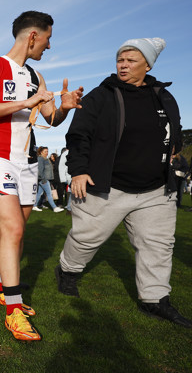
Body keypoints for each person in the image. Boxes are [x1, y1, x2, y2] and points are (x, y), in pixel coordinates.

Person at [56, 37, 191, 328]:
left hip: (156, 189)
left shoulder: (163, 96)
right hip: (109, 186)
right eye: (121, 59)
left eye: (131, 60)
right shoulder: (101, 95)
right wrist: (78, 171)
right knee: (86, 238)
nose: (123, 64)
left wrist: (173, 150)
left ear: (147, 64)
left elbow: (175, 131)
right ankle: (67, 270)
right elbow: (78, 135)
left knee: (157, 245)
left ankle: (154, 299)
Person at [0, 11, 82, 341]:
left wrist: (64, 105)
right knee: (13, 227)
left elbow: (51, 116)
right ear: (32, 36)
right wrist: (26, 101)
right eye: (47, 39)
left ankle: (6, 290)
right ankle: (13, 311)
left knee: (16, 231)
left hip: (27, 163)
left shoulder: (37, 76)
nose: (49, 46)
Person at [32, 146, 63, 212]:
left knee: (39, 193)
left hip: (45, 179)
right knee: (49, 193)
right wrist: (43, 180)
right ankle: (54, 207)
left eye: (47, 151)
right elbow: (40, 170)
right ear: (41, 152)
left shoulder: (45, 158)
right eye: (45, 151)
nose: (47, 153)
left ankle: (34, 206)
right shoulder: (40, 158)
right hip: (43, 179)